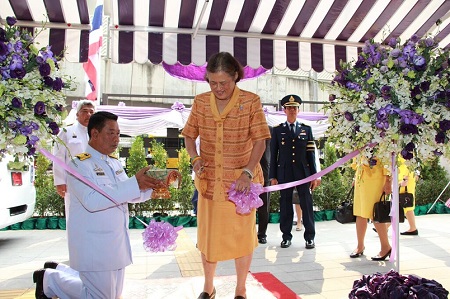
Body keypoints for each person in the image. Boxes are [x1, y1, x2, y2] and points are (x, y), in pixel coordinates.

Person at [32, 111, 164, 299]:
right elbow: (92, 201)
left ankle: (57, 272)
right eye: (111, 133)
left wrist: (153, 189)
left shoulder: (114, 163)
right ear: (94, 134)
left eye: (118, 134)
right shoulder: (79, 165)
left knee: (111, 295)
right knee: (99, 297)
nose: (116, 139)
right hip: (94, 245)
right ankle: (50, 279)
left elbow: (127, 195)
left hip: (115, 243)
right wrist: (134, 183)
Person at [182, 52, 270, 299]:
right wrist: (195, 158)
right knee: (208, 239)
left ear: (236, 77)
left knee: (241, 238)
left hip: (240, 187)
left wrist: (248, 172)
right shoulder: (200, 102)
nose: (218, 88)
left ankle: (240, 288)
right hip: (209, 183)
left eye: (224, 83)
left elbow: (260, 141)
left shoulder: (251, 102)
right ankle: (208, 287)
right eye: (212, 83)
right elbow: (189, 135)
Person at [269, 94, 320, 249]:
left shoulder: (306, 129)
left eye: (295, 108)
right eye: (289, 108)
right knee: (285, 205)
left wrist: (314, 176)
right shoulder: (277, 131)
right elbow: (274, 154)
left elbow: (311, 154)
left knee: (307, 205)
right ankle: (286, 236)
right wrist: (273, 176)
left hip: (303, 174)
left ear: (298, 110)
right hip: (284, 173)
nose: (292, 111)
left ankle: (309, 237)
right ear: (284, 110)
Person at [53, 100, 95, 219]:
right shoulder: (66, 132)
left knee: (93, 217)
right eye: (84, 111)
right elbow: (58, 157)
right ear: (77, 114)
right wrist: (60, 181)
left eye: (91, 112)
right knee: (74, 216)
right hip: (73, 182)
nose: (88, 115)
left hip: (95, 182)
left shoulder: (97, 134)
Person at [350, 157, 392, 261]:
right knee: (359, 212)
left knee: (376, 212)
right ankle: (360, 246)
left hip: (376, 177)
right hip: (361, 176)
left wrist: (388, 181)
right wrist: (356, 176)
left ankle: (385, 246)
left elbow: (388, 157)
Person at [257, 126, 272, 244]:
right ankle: (247, 234)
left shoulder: (270, 130)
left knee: (264, 207)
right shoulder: (244, 127)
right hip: (246, 175)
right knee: (244, 207)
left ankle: (262, 234)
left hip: (265, 175)